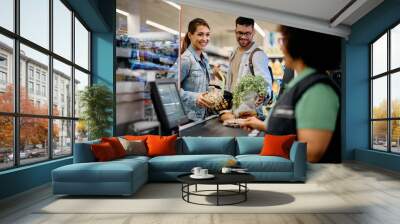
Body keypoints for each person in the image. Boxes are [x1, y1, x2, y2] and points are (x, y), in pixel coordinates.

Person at [240, 25, 341, 163]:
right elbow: (292, 126)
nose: (281, 47)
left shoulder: (318, 89)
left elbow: (311, 153)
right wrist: (262, 125)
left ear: (298, 44)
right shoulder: (300, 82)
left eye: (283, 41)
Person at [220, 17, 273, 121]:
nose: (243, 36)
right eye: (240, 33)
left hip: (250, 113)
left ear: (253, 32)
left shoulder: (257, 55)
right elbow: (231, 81)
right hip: (234, 111)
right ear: (235, 32)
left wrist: (264, 93)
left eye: (247, 33)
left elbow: (266, 83)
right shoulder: (234, 53)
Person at [170, 18, 216, 121]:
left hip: (203, 117)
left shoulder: (204, 58)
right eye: (200, 34)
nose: (205, 38)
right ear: (190, 35)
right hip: (189, 120)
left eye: (207, 34)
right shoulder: (185, 59)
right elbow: (170, 89)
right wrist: (194, 97)